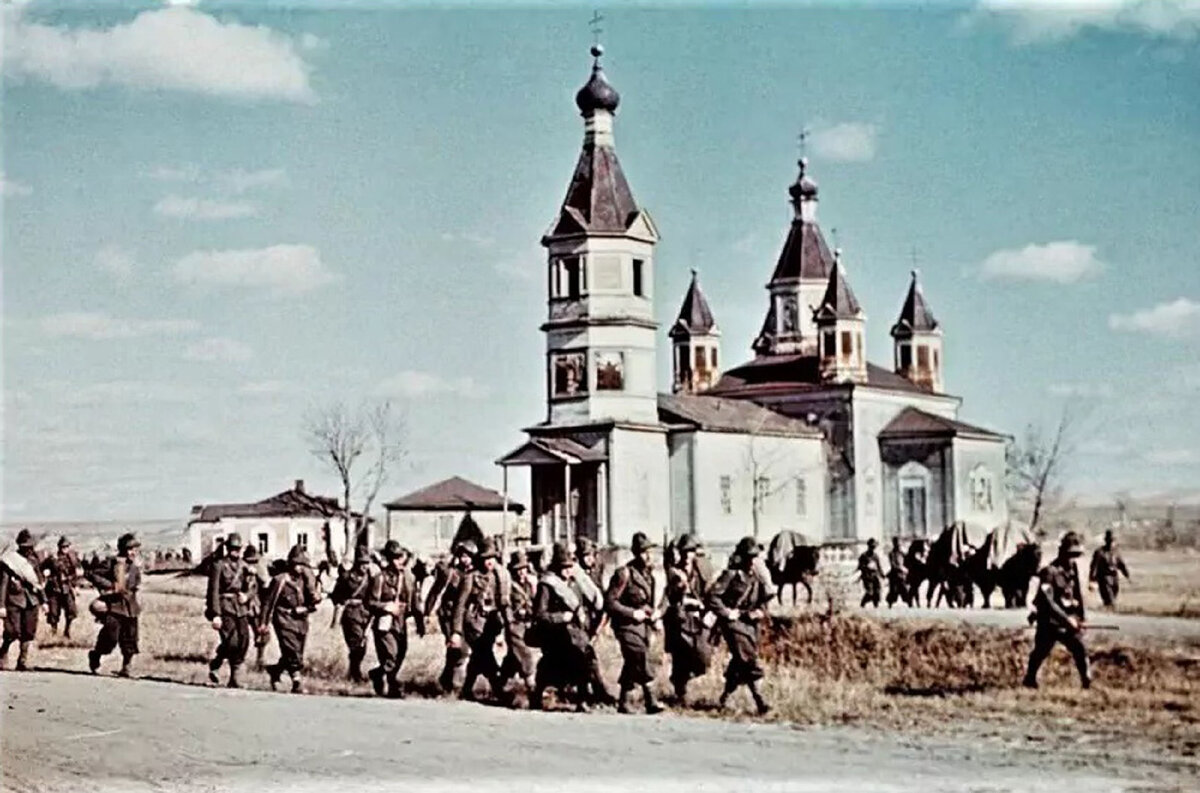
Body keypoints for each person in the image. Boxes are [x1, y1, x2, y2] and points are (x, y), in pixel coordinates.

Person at [531, 542, 601, 712]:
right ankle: (538, 695)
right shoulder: (547, 585)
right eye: (564, 567)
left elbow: (586, 605)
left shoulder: (576, 583)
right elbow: (540, 614)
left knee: (585, 659)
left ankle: (583, 699)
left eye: (570, 566)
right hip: (555, 634)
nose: (568, 570)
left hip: (577, 633)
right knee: (550, 667)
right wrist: (561, 617)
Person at [707, 536, 773, 716]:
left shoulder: (757, 579)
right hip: (732, 624)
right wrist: (727, 613)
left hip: (750, 625)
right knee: (749, 659)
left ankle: (725, 698)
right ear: (741, 557)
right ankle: (761, 701)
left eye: (755, 557)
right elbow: (712, 597)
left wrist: (760, 611)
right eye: (749, 557)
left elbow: (762, 601)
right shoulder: (730, 575)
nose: (752, 561)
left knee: (739, 662)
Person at [604, 532, 663, 715]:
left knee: (632, 661)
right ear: (636, 554)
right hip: (625, 625)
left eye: (650, 552)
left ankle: (624, 701)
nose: (648, 556)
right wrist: (632, 613)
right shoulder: (624, 573)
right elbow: (610, 602)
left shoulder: (649, 576)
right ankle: (651, 699)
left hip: (642, 626)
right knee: (639, 654)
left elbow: (648, 602)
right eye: (644, 552)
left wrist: (654, 615)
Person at [1023, 531, 1091, 690]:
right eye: (1070, 554)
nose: (1073, 559)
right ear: (1062, 552)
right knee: (1040, 651)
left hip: (1069, 619)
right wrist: (1066, 620)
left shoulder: (1073, 570)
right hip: (1050, 621)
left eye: (1076, 555)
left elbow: (1078, 595)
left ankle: (1086, 682)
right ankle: (1029, 679)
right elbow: (1048, 601)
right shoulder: (1049, 572)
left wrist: (1082, 618)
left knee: (1080, 649)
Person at [451, 538, 510, 702]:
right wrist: (456, 631)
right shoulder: (471, 577)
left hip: (492, 625)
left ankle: (466, 689)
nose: (489, 562)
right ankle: (499, 690)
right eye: (485, 558)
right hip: (474, 623)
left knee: (479, 656)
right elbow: (460, 605)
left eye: (491, 558)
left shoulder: (500, 577)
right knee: (485, 654)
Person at [261, 544, 321, 693]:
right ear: (291, 563)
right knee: (291, 650)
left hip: (300, 621)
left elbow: (312, 604)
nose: (300, 568)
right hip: (283, 619)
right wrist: (263, 623)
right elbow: (269, 602)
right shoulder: (280, 580)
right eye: (297, 564)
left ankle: (276, 670)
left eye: (303, 565)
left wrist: (313, 600)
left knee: (296, 652)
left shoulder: (306, 581)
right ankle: (297, 681)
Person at [366, 541, 422, 698]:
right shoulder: (380, 578)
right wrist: (386, 606)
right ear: (389, 560)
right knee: (391, 655)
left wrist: (420, 622)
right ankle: (393, 684)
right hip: (384, 623)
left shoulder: (408, 578)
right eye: (395, 558)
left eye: (400, 557)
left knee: (401, 654)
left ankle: (383, 679)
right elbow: (369, 602)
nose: (399, 561)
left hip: (401, 622)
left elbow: (415, 601)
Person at [661, 533, 711, 705]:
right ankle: (680, 693)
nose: (687, 555)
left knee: (702, 656)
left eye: (690, 551)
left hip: (697, 619)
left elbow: (708, 591)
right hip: (679, 619)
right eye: (684, 551)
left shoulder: (701, 570)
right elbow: (670, 597)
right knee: (680, 657)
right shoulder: (674, 571)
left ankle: (682, 681)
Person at [87, 532, 142, 677]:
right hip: (114, 606)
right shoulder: (113, 563)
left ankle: (126, 667)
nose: (133, 552)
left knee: (130, 638)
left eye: (135, 549)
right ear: (123, 549)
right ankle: (96, 655)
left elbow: (135, 583)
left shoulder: (135, 567)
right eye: (130, 549)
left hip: (130, 607)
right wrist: (111, 585)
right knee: (110, 637)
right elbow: (93, 574)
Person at [427, 540, 476, 693]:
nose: (465, 559)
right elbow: (435, 592)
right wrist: (427, 613)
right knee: (457, 648)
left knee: (461, 650)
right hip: (448, 615)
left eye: (469, 556)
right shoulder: (450, 573)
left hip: (465, 616)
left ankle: (447, 680)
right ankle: (451, 684)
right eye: (463, 556)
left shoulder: (474, 573)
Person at [205, 533, 251, 688]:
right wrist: (215, 614)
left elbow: (251, 587)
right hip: (225, 606)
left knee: (243, 640)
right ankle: (218, 664)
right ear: (227, 548)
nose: (235, 552)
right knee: (232, 641)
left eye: (237, 549)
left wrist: (247, 596)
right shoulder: (218, 565)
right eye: (232, 548)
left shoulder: (244, 566)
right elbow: (213, 591)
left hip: (240, 607)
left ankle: (234, 678)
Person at [574, 536, 616, 706]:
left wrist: (600, 625)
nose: (589, 559)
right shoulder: (576, 575)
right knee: (586, 657)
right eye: (586, 556)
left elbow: (603, 599)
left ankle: (592, 693)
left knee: (587, 657)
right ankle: (594, 693)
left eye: (591, 555)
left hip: (594, 621)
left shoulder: (597, 573)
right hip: (580, 621)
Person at [1, 529, 45, 671]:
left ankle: (22, 661)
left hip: (32, 600)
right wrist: (1, 605)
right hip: (14, 600)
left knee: (29, 631)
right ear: (20, 546)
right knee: (12, 631)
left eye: (30, 546)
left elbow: (39, 582)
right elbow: (3, 584)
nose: (29, 550)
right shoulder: (10, 561)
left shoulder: (34, 561)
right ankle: (3, 652)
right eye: (25, 547)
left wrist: (44, 601)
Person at [496, 549, 537, 703]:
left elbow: (536, 604)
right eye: (518, 569)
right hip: (514, 625)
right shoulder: (509, 586)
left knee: (513, 658)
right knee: (524, 654)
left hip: (528, 623)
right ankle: (531, 685)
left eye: (524, 568)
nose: (522, 572)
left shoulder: (530, 583)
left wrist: (534, 588)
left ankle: (500, 685)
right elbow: (505, 606)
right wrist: (510, 622)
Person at [330, 545, 373, 682]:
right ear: (357, 563)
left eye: (366, 563)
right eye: (362, 563)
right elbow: (336, 596)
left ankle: (353, 671)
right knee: (356, 643)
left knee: (363, 645)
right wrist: (341, 606)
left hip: (365, 614)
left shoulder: (370, 578)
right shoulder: (347, 577)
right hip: (350, 614)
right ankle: (355, 674)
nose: (364, 566)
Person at [42, 536, 80, 638]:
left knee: (71, 610)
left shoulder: (72, 558)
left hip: (66, 588)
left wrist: (75, 585)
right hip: (54, 588)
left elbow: (75, 573)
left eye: (67, 546)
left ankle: (67, 631)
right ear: (59, 547)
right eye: (63, 546)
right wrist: (46, 574)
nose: (65, 548)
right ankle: (53, 632)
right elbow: (41, 568)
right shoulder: (52, 558)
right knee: (53, 612)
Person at [241, 546, 271, 670]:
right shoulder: (249, 567)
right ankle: (258, 661)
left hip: (255, 605)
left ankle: (259, 660)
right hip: (251, 606)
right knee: (260, 633)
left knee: (261, 634)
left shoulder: (256, 566)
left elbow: (265, 583)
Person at [1089, 530, 1131, 609]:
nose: (1111, 542)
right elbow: (1093, 566)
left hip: (1114, 579)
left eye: (1113, 540)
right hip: (1104, 579)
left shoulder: (1116, 552)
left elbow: (1121, 565)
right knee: (1110, 600)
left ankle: (1108, 609)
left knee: (1113, 598)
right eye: (1110, 540)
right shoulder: (1099, 552)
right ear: (1106, 541)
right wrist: (1091, 580)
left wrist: (1127, 575)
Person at [858, 538, 884, 608]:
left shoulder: (876, 556)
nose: (873, 548)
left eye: (874, 547)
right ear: (868, 546)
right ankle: (862, 604)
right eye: (871, 546)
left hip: (875, 576)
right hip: (867, 577)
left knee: (877, 592)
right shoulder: (863, 556)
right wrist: (867, 566)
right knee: (870, 593)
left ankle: (876, 607)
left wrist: (882, 574)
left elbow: (879, 566)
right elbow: (860, 567)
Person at [885, 537, 908, 608]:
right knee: (893, 591)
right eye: (897, 543)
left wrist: (906, 569)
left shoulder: (903, 553)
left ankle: (909, 604)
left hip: (902, 575)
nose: (898, 545)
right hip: (894, 575)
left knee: (904, 590)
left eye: (899, 543)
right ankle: (890, 604)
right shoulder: (891, 554)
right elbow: (893, 565)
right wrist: (901, 568)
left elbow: (907, 561)